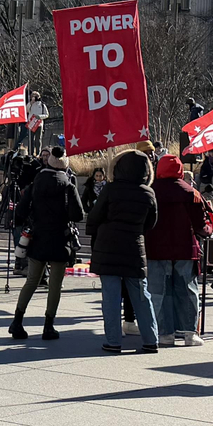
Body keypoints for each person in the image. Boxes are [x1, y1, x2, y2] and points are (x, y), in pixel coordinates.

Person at [85, 149, 158, 354]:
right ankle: (151, 339)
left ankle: (114, 341)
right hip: (135, 247)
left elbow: (96, 215)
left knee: (111, 296)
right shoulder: (148, 193)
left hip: (108, 246)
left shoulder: (111, 189)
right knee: (141, 296)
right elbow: (151, 223)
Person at [9, 147, 86, 341]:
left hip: (38, 238)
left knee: (32, 281)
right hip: (60, 240)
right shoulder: (68, 185)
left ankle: (17, 321)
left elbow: (20, 211)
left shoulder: (36, 182)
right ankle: (48, 326)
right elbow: (78, 215)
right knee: (55, 285)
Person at [145, 154, 205, 349]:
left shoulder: (150, 192)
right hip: (185, 249)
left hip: (156, 249)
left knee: (159, 291)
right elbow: (201, 226)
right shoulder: (191, 193)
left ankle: (164, 333)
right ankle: (189, 333)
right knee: (187, 290)